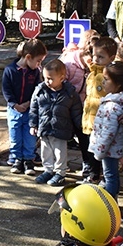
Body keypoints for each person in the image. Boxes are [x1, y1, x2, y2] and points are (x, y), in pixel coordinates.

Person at [29, 59, 84, 187]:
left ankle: (60, 173)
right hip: (44, 126)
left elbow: (76, 111)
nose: (47, 81)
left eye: (50, 78)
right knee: (45, 151)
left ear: (62, 78)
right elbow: (34, 108)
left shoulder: (70, 94)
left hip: (61, 128)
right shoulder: (40, 90)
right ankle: (48, 170)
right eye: (45, 78)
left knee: (60, 152)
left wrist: (79, 126)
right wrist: (33, 124)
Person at [90, 61, 123, 200]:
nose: (103, 82)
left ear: (118, 83)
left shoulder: (113, 105)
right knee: (111, 174)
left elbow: (108, 132)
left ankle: (110, 201)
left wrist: (100, 150)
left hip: (109, 148)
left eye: (107, 79)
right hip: (112, 147)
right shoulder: (119, 101)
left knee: (110, 175)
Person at [3, 39, 48, 176]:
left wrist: (29, 103)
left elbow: (37, 89)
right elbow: (6, 90)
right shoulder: (10, 70)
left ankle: (29, 160)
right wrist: (14, 104)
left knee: (30, 136)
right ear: (28, 57)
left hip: (29, 110)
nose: (39, 64)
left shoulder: (34, 73)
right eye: (38, 61)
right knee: (15, 135)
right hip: (14, 109)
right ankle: (17, 159)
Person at [60, 29, 100, 181]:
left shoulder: (95, 67)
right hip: (67, 104)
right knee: (63, 134)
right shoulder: (70, 63)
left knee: (84, 135)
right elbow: (61, 83)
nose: (92, 62)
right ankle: (59, 165)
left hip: (85, 107)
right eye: (90, 58)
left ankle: (87, 164)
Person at [80, 36, 118, 182]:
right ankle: (92, 172)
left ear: (111, 58)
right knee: (90, 146)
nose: (95, 59)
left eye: (101, 57)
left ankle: (97, 174)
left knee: (99, 149)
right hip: (90, 116)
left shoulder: (108, 76)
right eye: (94, 55)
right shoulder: (92, 73)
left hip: (101, 120)